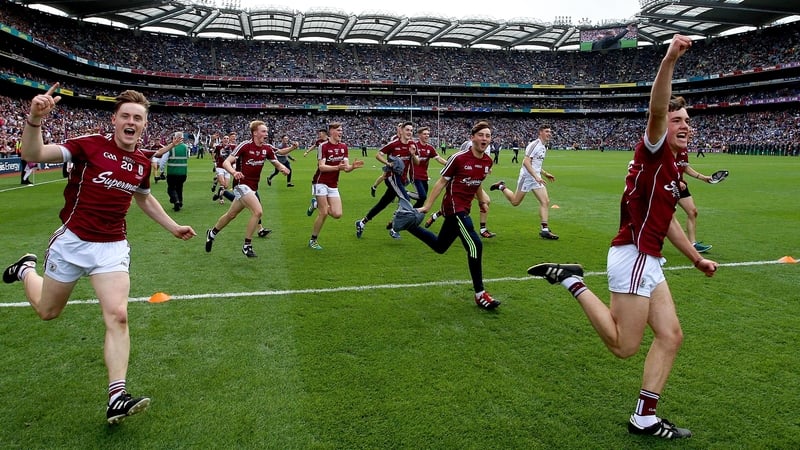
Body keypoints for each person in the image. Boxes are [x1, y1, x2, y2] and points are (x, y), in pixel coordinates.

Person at [527, 35, 719, 440]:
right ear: (664, 125)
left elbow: (665, 222)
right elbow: (656, 110)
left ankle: (644, 418)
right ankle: (571, 281)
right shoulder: (653, 149)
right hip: (633, 258)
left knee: (671, 336)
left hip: (649, 259)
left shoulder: (674, 163)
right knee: (623, 346)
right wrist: (668, 59)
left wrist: (695, 259)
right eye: (678, 120)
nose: (686, 125)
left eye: (688, 120)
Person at [3, 84, 196, 424]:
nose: (131, 122)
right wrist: (34, 119)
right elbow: (35, 155)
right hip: (73, 242)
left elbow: (144, 198)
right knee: (48, 312)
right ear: (115, 119)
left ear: (144, 124)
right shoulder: (90, 145)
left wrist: (172, 226)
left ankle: (116, 397)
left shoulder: (141, 161)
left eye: (138, 117)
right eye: (126, 116)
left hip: (112, 247)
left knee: (118, 315)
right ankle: (25, 271)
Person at [405, 120, 500, 310]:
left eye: (488, 136)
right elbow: (441, 183)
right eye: (481, 135)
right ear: (472, 137)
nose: (484, 139)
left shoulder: (488, 162)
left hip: (464, 208)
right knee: (475, 245)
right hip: (454, 208)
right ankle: (480, 294)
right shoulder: (458, 158)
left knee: (440, 246)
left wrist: (482, 201)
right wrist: (426, 206)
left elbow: (477, 182)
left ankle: (409, 225)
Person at [204, 120, 289, 258]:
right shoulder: (244, 145)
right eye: (263, 131)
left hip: (253, 188)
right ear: (255, 133)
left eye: (266, 131)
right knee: (258, 211)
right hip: (241, 184)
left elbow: (276, 163)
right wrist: (234, 172)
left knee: (231, 215)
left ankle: (212, 233)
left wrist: (283, 168)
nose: (266, 133)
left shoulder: (266, 148)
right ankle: (247, 245)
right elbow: (226, 162)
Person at [489, 124, 559, 240]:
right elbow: (526, 162)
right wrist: (536, 176)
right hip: (527, 177)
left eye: (550, 131)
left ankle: (545, 230)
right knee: (515, 202)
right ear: (540, 132)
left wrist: (545, 174)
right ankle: (501, 186)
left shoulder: (543, 146)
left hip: (535, 177)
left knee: (545, 201)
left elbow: (536, 165)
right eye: (547, 131)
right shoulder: (534, 145)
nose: (549, 134)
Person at [355, 121, 417, 240]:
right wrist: (388, 163)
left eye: (411, 130)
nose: (409, 132)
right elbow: (378, 154)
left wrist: (413, 154)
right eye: (407, 130)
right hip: (392, 177)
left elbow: (417, 162)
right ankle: (394, 228)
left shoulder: (412, 145)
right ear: (402, 131)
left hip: (402, 179)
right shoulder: (394, 144)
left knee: (383, 203)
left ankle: (362, 222)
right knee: (406, 200)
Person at [307, 122, 364, 250]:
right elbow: (321, 166)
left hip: (333, 184)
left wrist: (352, 167)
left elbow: (346, 168)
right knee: (324, 213)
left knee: (337, 214)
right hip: (320, 182)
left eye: (341, 130)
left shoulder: (344, 146)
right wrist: (337, 167)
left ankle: (315, 204)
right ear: (331, 131)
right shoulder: (323, 146)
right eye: (338, 130)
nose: (341, 132)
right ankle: (313, 240)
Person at [677, 128, 713, 253]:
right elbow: (663, 165)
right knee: (662, 217)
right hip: (667, 185)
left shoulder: (684, 148)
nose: (692, 133)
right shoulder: (672, 146)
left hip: (680, 185)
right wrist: (676, 180)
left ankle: (692, 244)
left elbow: (684, 167)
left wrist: (703, 178)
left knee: (692, 212)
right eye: (689, 132)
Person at [410, 126, 447, 208]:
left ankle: (410, 214)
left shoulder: (430, 148)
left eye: (428, 134)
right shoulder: (414, 146)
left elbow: (439, 159)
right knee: (422, 196)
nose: (427, 136)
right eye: (424, 134)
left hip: (424, 176)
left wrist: (449, 164)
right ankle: (404, 193)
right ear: (419, 135)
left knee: (421, 200)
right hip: (415, 175)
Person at [153, 131, 188, 212]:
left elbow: (163, 161)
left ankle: (176, 201)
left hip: (172, 172)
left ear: (175, 137)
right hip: (183, 172)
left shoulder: (170, 147)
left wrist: (161, 171)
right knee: (180, 187)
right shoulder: (186, 147)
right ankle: (180, 201)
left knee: (171, 188)